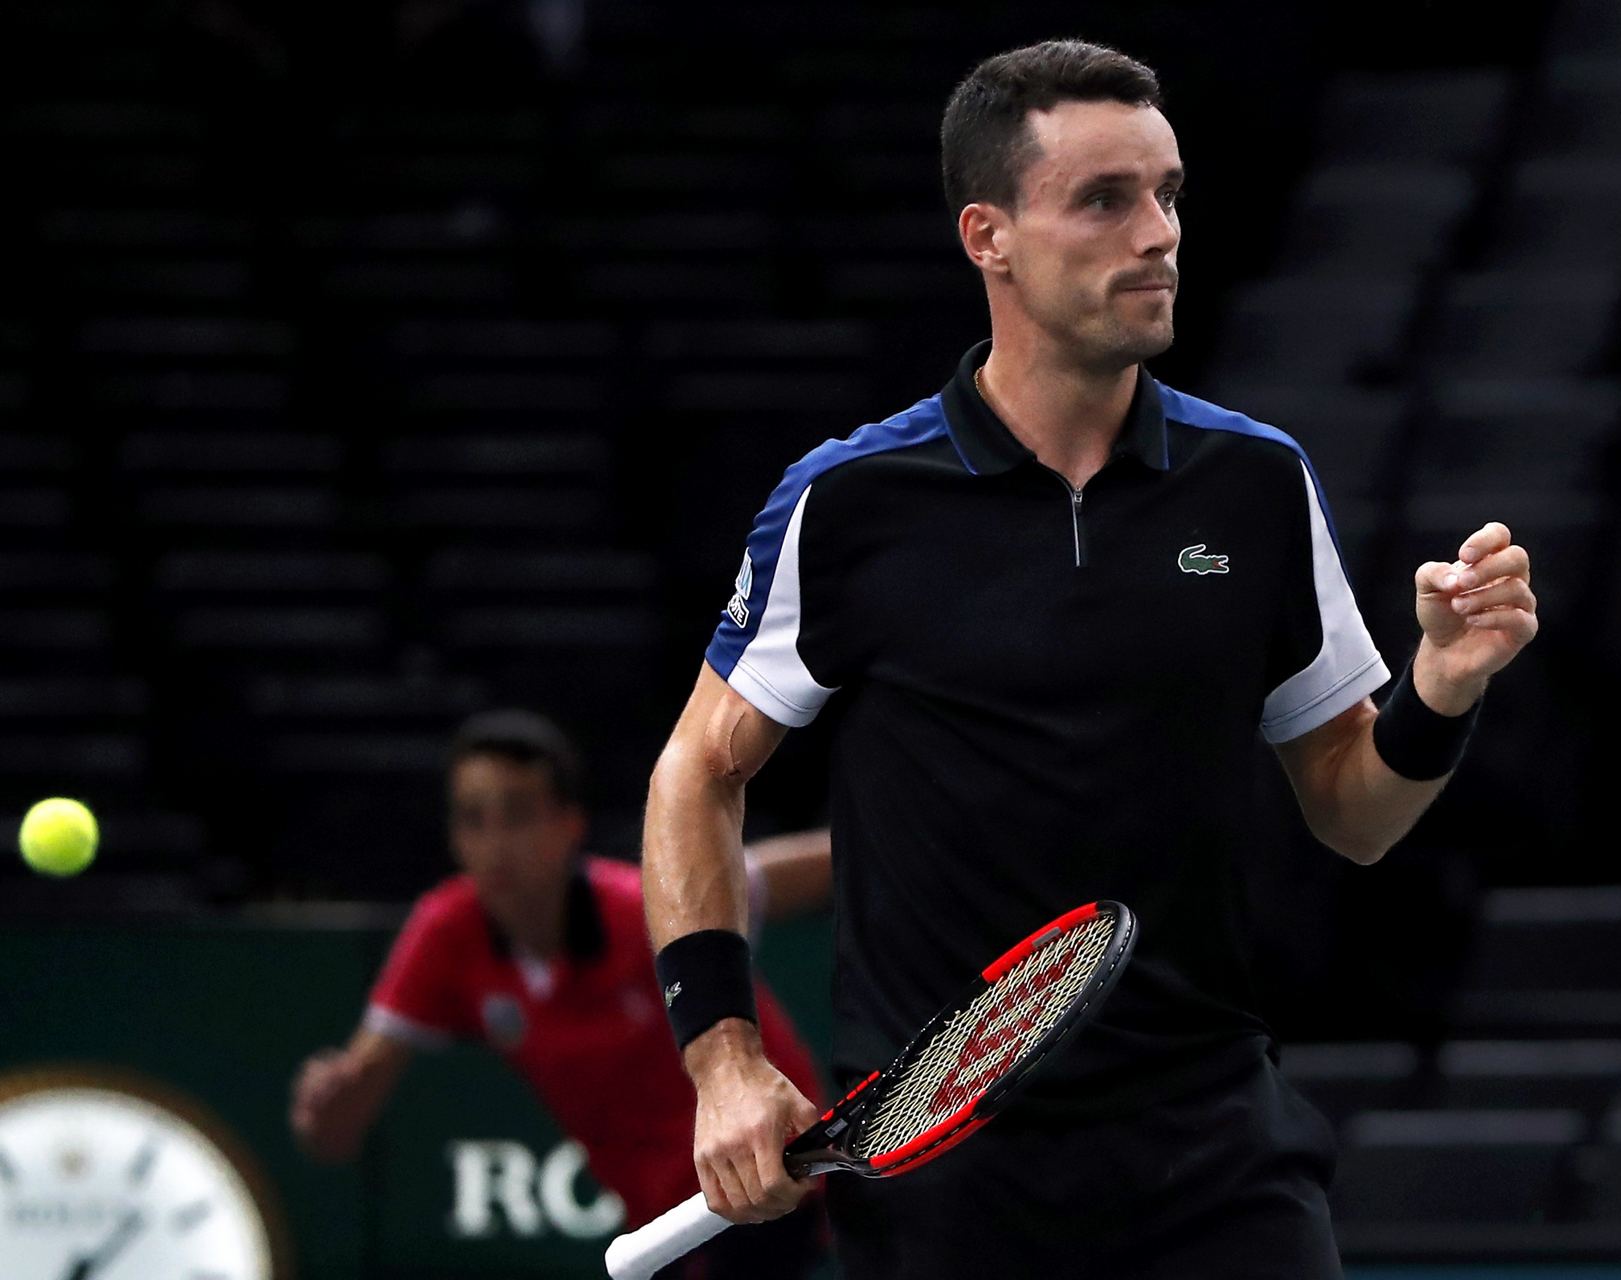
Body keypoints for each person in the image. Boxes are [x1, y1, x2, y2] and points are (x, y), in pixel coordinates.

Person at [641, 39, 1539, 1280]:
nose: (1159, 232)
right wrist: (722, 1056)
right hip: (947, 1182)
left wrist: (1442, 689)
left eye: (1168, 193)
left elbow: (1356, 813)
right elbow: (697, 769)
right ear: (988, 235)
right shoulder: (847, 504)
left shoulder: (1259, 485)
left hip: (1216, 1151)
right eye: (1105, 199)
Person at [290, 709, 830, 1279]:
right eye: (474, 819)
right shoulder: (444, 934)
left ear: (569, 823)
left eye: (518, 814)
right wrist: (328, 1105)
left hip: (766, 1169)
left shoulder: (647, 907)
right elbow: (340, 1125)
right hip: (655, 1217)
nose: (496, 844)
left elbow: (791, 871)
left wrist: (912, 850)